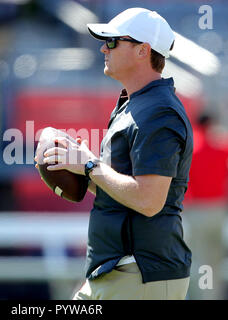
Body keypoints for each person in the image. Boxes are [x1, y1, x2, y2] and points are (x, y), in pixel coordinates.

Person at [35, 8, 193, 300]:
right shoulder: (133, 104)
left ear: (142, 51)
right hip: (118, 271)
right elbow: (123, 195)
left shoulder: (159, 112)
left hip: (141, 273)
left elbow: (148, 200)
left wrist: (89, 164)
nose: (102, 48)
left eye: (112, 42)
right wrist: (77, 166)